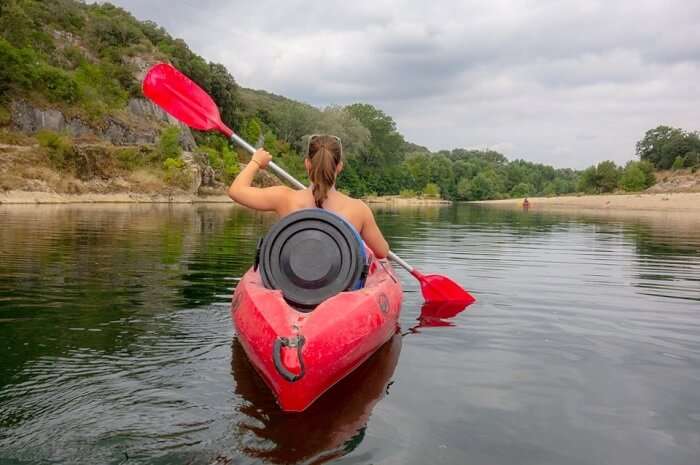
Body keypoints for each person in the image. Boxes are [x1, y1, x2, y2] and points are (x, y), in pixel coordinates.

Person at [228, 134, 390, 259]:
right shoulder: (358, 209)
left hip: (293, 286)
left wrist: (256, 161)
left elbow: (236, 191)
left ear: (307, 163)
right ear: (339, 166)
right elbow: (382, 252)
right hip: (339, 288)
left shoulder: (284, 198)